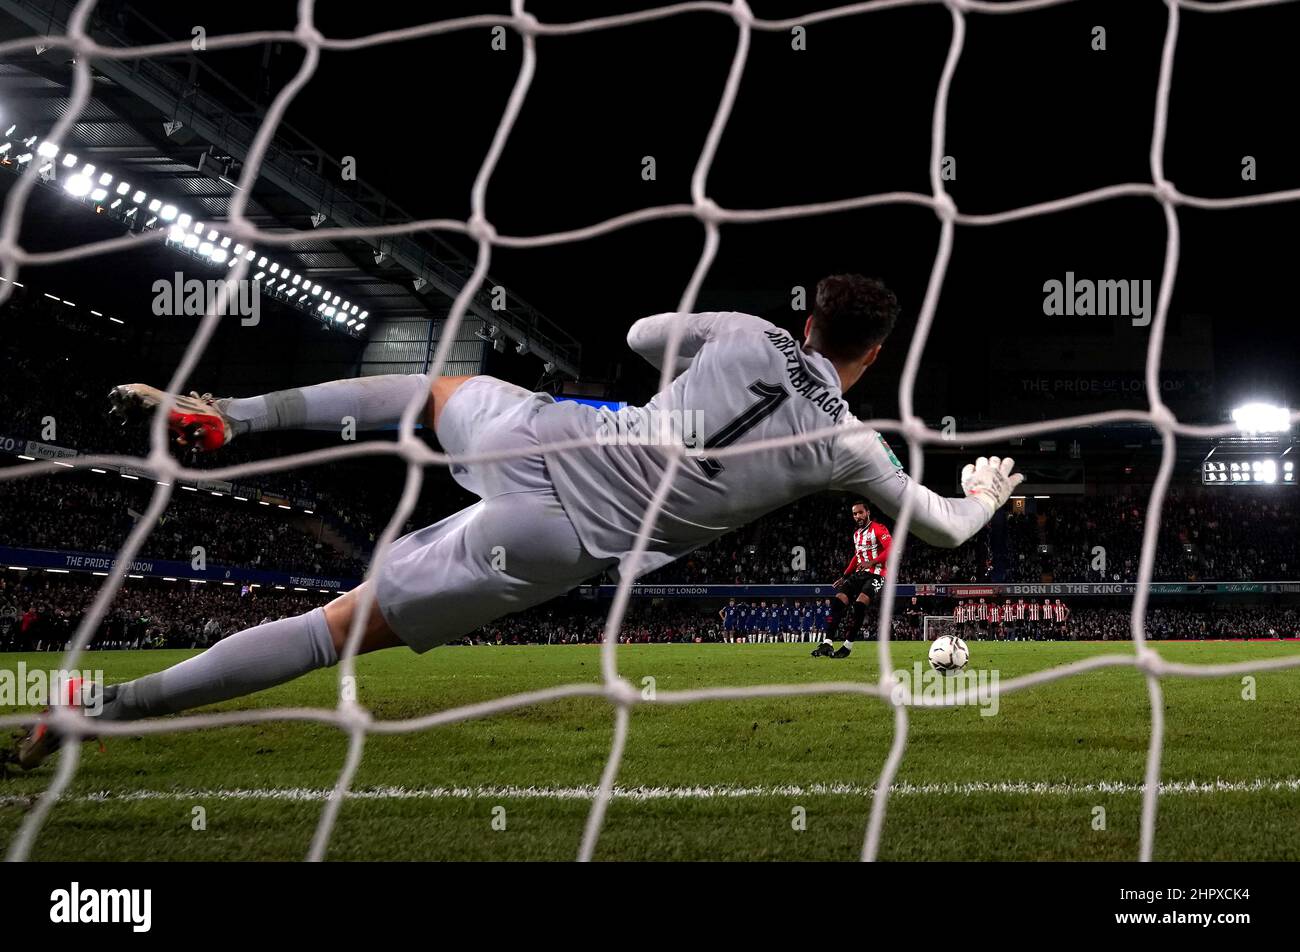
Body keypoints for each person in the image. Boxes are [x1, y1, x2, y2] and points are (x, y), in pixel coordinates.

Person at [12, 273, 1022, 769]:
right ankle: (85, 715)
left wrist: (703, 360)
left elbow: (638, 335)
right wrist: (980, 492)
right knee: (335, 631)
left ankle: (232, 416)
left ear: (809, 323)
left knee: (432, 388)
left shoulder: (750, 329)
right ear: (872, 355)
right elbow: (938, 529)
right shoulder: (852, 444)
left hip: (550, 436)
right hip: (560, 542)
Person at [813, 500, 892, 659]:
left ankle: (847, 646)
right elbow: (857, 557)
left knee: (859, 605)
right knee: (838, 600)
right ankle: (827, 643)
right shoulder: (856, 534)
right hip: (859, 574)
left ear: (867, 512)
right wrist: (845, 576)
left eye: (860, 512)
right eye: (854, 514)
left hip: (876, 574)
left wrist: (872, 562)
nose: (857, 516)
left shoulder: (878, 528)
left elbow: (892, 548)